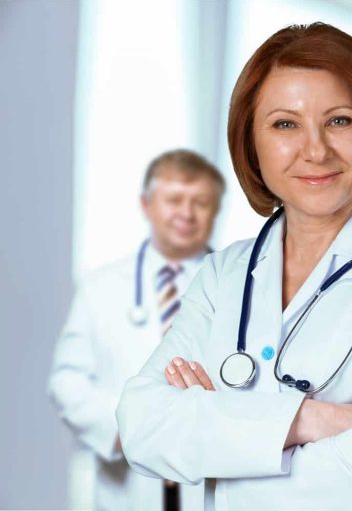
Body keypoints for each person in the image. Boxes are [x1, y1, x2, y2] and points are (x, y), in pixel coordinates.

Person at [115, 23, 352, 511]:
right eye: (285, 124)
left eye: (339, 121)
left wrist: (222, 444)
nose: (315, 150)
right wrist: (307, 420)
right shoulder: (222, 275)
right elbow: (142, 426)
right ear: (251, 142)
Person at [48, 149, 226, 511]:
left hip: (211, 470)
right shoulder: (100, 287)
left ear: (215, 211)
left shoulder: (241, 286)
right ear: (147, 205)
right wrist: (130, 428)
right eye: (174, 200)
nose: (187, 214)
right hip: (127, 481)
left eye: (201, 202)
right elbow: (67, 380)